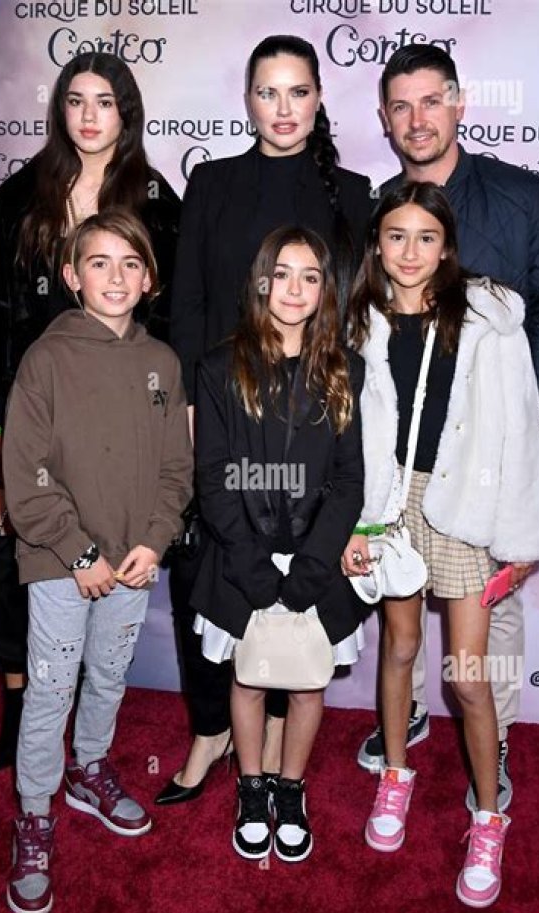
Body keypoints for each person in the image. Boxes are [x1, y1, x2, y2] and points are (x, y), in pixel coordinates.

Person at [357, 44, 539, 813]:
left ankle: (499, 739)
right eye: (401, 106)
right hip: (405, 469)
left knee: (489, 614)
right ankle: (408, 722)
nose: (417, 119)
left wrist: (504, 401)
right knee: (402, 616)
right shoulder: (382, 206)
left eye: (432, 101)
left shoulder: (518, 196)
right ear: (385, 118)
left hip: (488, 459)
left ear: (460, 104)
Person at [159, 33, 372, 805]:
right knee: (209, 572)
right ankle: (211, 727)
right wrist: (189, 408)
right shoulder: (212, 183)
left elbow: (355, 321)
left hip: (309, 422)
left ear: (319, 99)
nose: (283, 108)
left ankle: (280, 741)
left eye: (298, 91)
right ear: (247, 99)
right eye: (267, 92)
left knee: (297, 569)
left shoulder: (354, 193)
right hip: (221, 415)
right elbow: (186, 304)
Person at [0, 52, 180, 773]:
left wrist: (174, 408)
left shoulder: (157, 198)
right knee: (6, 551)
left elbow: (173, 317)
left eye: (105, 102)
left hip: (117, 415)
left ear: (127, 113)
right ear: (59, 109)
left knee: (104, 566)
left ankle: (88, 739)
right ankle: (20, 712)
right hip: (28, 403)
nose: (90, 116)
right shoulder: (21, 193)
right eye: (76, 100)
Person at [343, 182, 539, 906]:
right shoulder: (362, 321)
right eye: (395, 236)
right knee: (399, 648)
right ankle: (396, 775)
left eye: (426, 237)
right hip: (391, 503)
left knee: (467, 676)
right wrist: (359, 521)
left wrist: (521, 541)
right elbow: (355, 433)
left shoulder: (488, 319)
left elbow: (521, 429)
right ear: (376, 244)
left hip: (463, 503)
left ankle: (489, 817)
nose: (410, 252)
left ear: (447, 245)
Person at [1, 210, 192, 913]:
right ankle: (34, 812)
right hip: (61, 561)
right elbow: (25, 475)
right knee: (51, 688)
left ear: (149, 279)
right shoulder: (46, 359)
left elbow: (176, 470)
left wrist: (156, 539)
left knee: (108, 675)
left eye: (130, 263)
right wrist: (79, 552)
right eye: (100, 262)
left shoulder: (163, 363)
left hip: (133, 560)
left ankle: (88, 769)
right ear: (72, 276)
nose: (116, 277)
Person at [192, 225, 366, 861]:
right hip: (243, 555)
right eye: (283, 274)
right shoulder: (219, 367)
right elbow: (213, 476)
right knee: (249, 677)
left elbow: (349, 480)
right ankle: (251, 784)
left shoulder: (345, 370)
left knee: (306, 682)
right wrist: (251, 564)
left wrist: (314, 566)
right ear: (261, 282)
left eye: (310, 277)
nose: (295, 289)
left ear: (325, 290)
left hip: (316, 557)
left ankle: (290, 788)